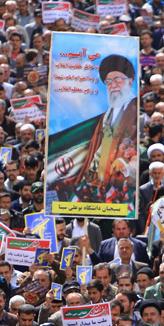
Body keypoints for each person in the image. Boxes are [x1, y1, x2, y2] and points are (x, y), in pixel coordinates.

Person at [46, 54, 138, 211]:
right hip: (100, 183)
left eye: (118, 79)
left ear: (130, 81)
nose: (113, 84)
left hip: (119, 182)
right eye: (108, 81)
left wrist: (124, 162)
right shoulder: (107, 114)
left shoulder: (135, 110)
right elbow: (98, 149)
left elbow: (134, 143)